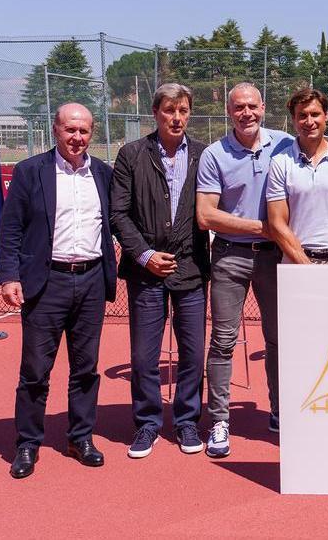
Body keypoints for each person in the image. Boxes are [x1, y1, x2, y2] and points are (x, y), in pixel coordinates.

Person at [195, 82, 328, 458]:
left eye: (252, 105)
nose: (246, 112)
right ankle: (219, 420)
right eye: (238, 107)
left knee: (279, 339)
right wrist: (261, 227)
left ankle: (280, 410)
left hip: (274, 257)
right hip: (231, 256)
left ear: (263, 107)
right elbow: (205, 215)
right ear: (229, 112)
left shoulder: (284, 143)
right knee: (223, 340)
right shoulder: (215, 154)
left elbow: (318, 138)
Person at [0, 103, 117, 479]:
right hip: (46, 282)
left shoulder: (104, 174)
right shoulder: (30, 171)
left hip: (92, 280)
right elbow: (11, 229)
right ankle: (28, 443)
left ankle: (80, 437)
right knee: (35, 370)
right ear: (55, 129)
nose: (77, 138)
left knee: (86, 368)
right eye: (70, 130)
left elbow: (120, 222)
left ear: (91, 133)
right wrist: (9, 276)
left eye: (83, 131)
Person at [110, 83, 209, 459]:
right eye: (169, 110)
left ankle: (186, 420)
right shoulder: (131, 155)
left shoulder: (204, 155)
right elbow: (118, 214)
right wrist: (145, 255)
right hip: (146, 272)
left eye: (183, 110)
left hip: (191, 270)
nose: (177, 117)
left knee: (192, 354)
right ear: (155, 113)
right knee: (145, 356)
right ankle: (148, 423)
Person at [267, 87, 328, 265]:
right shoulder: (280, 162)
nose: (309, 121)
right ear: (294, 120)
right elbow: (277, 222)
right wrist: (306, 265)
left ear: (326, 115)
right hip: (296, 262)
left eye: (315, 114)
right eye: (302, 115)